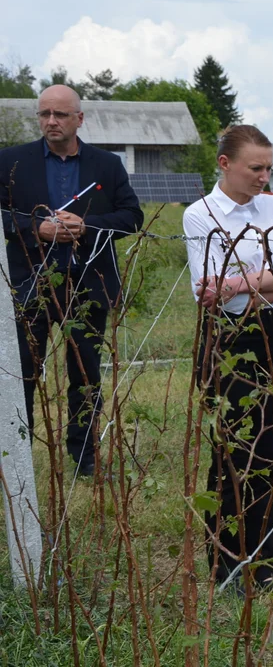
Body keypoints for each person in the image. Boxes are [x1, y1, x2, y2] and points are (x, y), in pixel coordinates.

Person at [0, 85, 143, 476]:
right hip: (30, 284)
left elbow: (132, 217)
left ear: (79, 119)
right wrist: (37, 228)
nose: (51, 122)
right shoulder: (10, 160)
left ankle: (85, 459)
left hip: (88, 284)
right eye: (44, 114)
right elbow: (2, 215)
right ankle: (17, 459)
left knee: (85, 374)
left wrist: (88, 225)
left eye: (60, 115)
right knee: (23, 372)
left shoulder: (106, 166)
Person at [183, 125, 273, 591]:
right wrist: (259, 284)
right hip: (228, 340)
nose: (265, 177)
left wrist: (238, 283)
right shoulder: (200, 214)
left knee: (270, 447)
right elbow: (205, 288)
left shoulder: (271, 207)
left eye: (269, 168)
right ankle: (227, 561)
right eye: (256, 168)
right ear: (225, 164)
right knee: (232, 449)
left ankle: (265, 561)